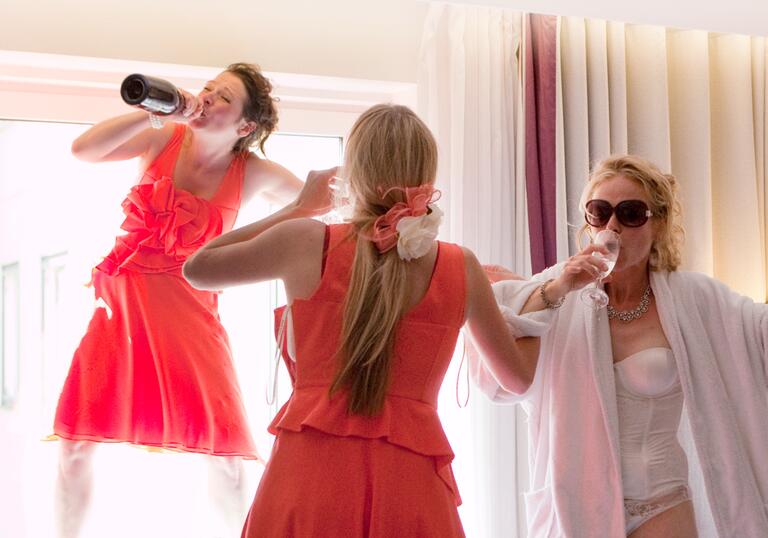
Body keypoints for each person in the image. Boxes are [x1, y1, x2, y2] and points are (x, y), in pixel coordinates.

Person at [183, 103, 539, 537]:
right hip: (410, 484)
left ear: (353, 170)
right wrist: (545, 301)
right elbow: (517, 381)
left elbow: (198, 267)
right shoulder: (460, 267)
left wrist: (298, 207)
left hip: (309, 479)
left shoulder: (305, 242)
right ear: (428, 174)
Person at [52, 62, 331, 538]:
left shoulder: (253, 172)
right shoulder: (162, 139)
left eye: (222, 97)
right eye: (207, 89)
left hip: (192, 318)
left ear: (246, 126)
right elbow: (83, 150)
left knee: (224, 453)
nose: (206, 98)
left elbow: (318, 206)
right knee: (76, 441)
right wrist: (156, 112)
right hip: (121, 312)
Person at [471, 154, 768, 537]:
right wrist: (561, 287)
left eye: (631, 214)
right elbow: (499, 369)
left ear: (657, 224)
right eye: (600, 212)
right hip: (577, 502)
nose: (613, 226)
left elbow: (759, 333)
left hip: (664, 500)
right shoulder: (560, 287)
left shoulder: (693, 298)